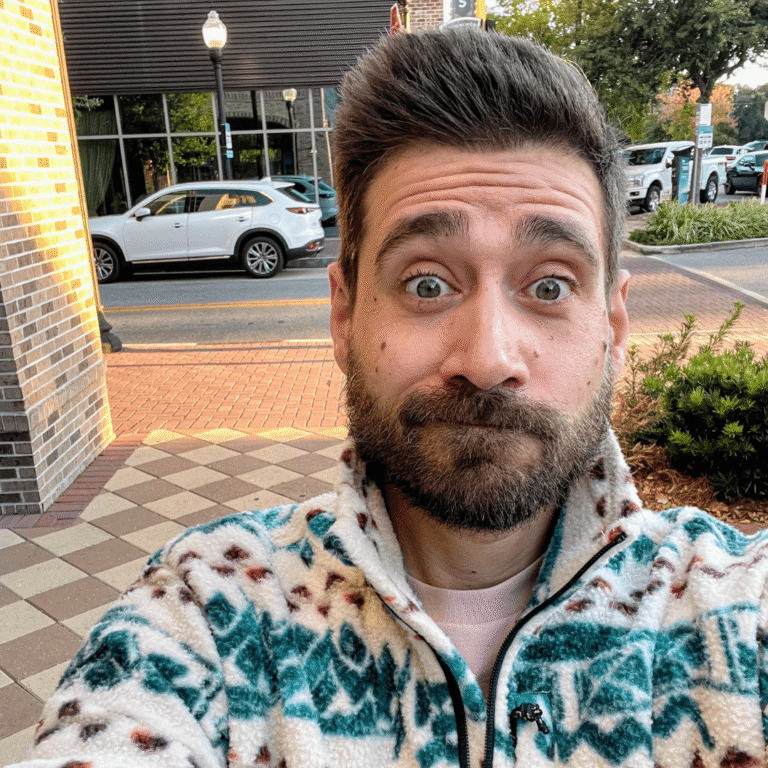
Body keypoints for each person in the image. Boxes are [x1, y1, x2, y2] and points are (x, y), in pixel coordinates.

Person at [12, 28, 768, 768]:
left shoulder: (733, 608)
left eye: (549, 286)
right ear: (344, 316)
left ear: (612, 322)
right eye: (427, 283)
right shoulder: (209, 611)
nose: (488, 359)